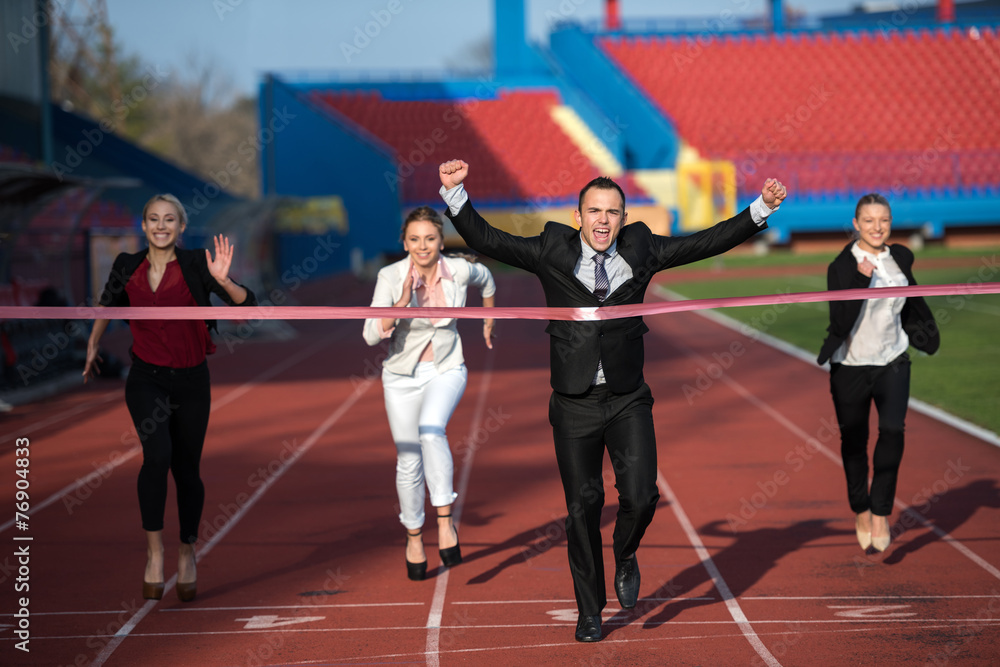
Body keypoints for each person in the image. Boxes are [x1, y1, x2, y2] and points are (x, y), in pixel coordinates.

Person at [438, 159, 786, 642]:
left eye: (613, 213)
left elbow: (704, 242)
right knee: (583, 509)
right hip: (573, 402)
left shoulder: (643, 247)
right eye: (595, 211)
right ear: (579, 216)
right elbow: (488, 240)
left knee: (641, 497)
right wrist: (456, 194)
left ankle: (626, 552)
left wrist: (760, 209)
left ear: (624, 218)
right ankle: (590, 610)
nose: (603, 221)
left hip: (627, 398)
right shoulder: (550, 249)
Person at [83, 193, 257, 602]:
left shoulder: (198, 264)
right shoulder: (126, 265)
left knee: (186, 470)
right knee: (156, 456)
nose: (161, 226)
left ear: (180, 227)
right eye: (154, 219)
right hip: (146, 379)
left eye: (169, 220)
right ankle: (154, 553)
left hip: (192, 380)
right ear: (143, 226)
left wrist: (225, 279)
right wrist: (92, 346)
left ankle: (186, 552)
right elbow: (105, 308)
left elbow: (248, 305)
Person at [363, 206, 496, 581]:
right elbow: (371, 334)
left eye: (431, 238)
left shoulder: (459, 270)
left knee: (430, 430)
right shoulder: (389, 276)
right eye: (415, 239)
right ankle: (414, 536)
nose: (423, 246)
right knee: (408, 460)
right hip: (401, 375)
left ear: (441, 240)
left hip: (446, 368)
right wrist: (401, 303)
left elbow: (488, 280)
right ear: (404, 242)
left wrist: (488, 319)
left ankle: (444, 521)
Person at [818, 193, 939, 554]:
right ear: (856, 225)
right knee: (854, 444)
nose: (877, 227)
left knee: (892, 431)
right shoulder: (840, 266)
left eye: (883, 220)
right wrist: (859, 279)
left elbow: (912, 301)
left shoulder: (900, 256)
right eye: (869, 221)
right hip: (850, 366)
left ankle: (881, 510)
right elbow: (839, 321)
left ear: (890, 223)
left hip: (893, 360)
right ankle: (861, 509)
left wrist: (924, 332)